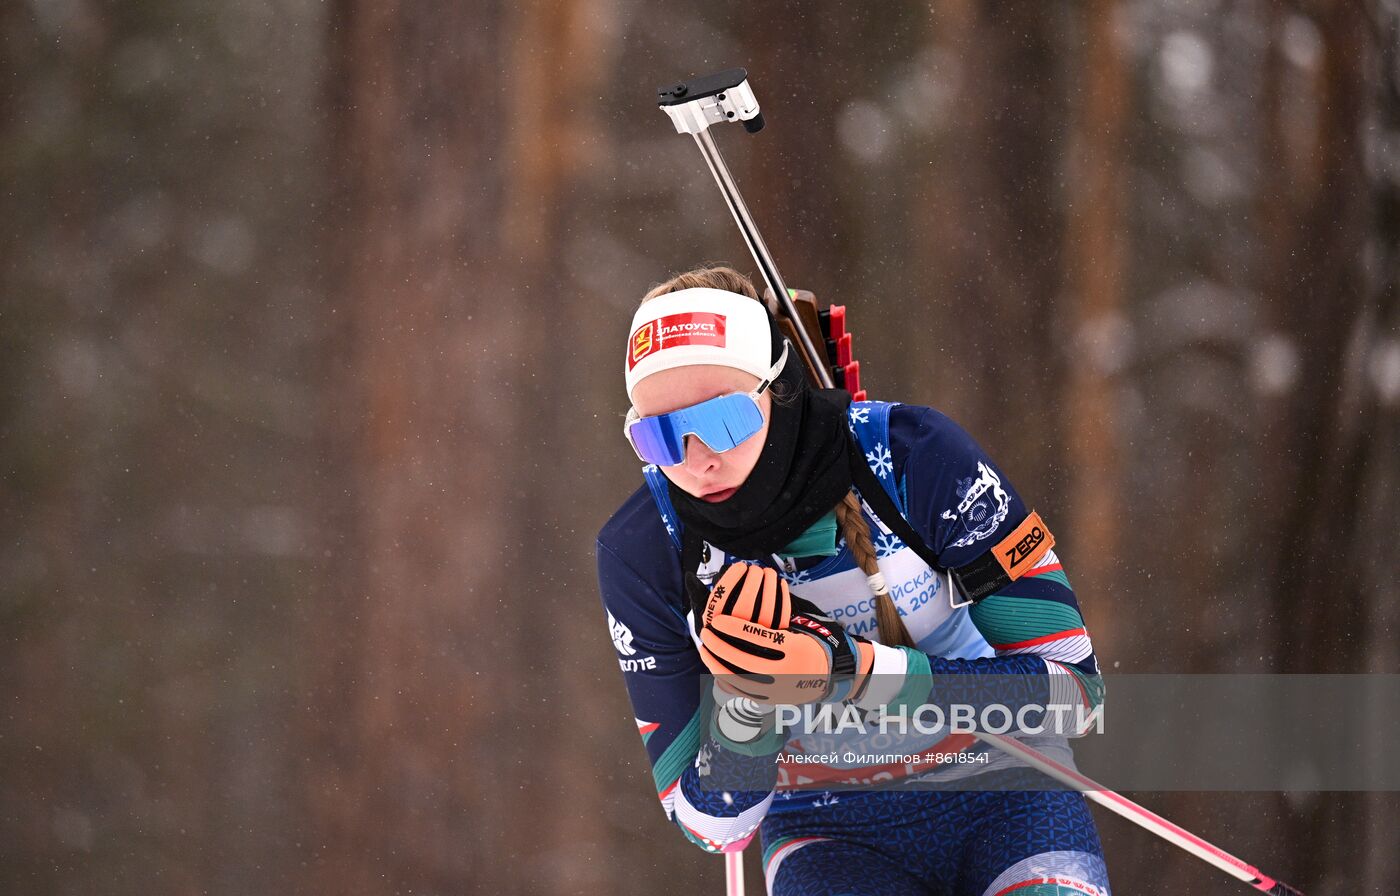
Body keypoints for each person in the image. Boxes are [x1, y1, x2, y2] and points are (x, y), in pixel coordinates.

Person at [596, 266, 1111, 896]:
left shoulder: (912, 457)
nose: (698, 458)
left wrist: (855, 672)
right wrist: (754, 710)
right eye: (658, 435)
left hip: (1004, 787)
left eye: (725, 419)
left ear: (777, 389)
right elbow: (709, 827)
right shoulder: (646, 548)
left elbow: (1077, 697)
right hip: (828, 832)